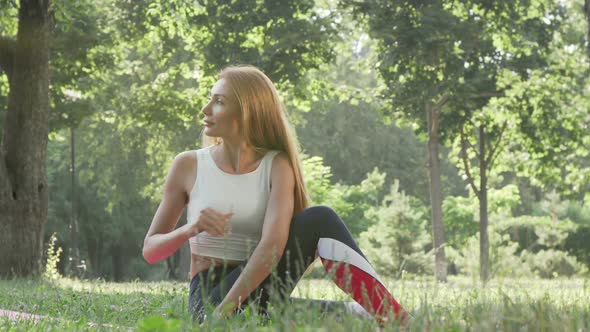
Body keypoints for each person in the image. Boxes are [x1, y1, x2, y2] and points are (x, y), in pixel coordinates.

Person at [142, 65, 412, 326]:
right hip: (208, 297)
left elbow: (271, 248)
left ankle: (394, 318)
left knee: (320, 218)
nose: (205, 109)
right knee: (258, 315)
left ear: (247, 112)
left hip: (258, 285)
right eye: (209, 99)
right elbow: (151, 250)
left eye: (219, 101)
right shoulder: (188, 164)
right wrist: (191, 229)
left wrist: (223, 314)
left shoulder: (277, 165)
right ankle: (357, 316)